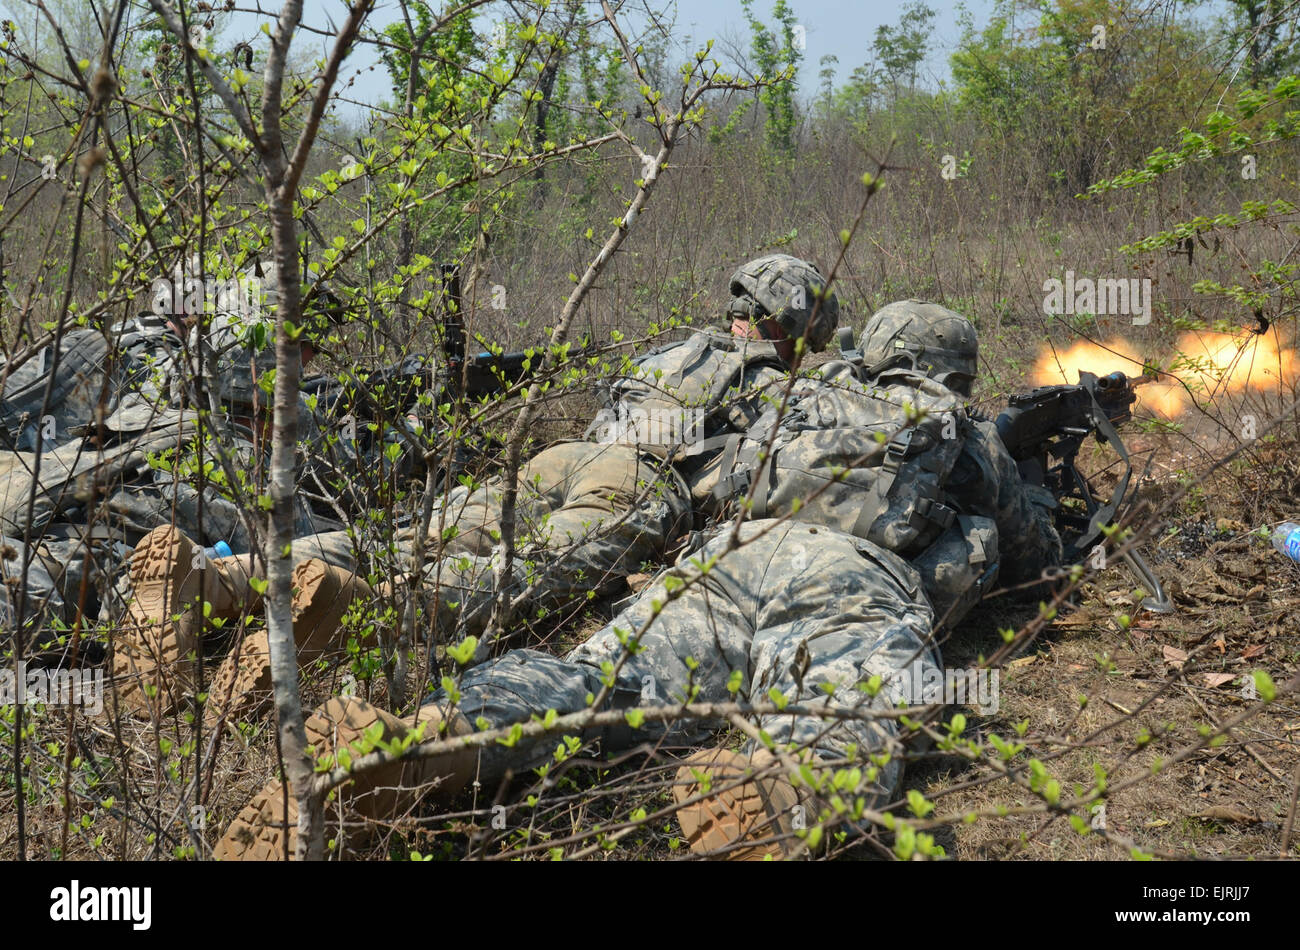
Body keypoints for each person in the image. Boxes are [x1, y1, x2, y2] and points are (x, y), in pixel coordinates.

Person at [213, 300, 1064, 861]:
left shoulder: (798, 396)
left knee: (591, 683)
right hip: (854, 584)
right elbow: (1033, 555)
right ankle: (786, 782)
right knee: (856, 699)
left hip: (727, 558)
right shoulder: (964, 431)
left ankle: (427, 737)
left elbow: (720, 476)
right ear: (957, 366)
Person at [116, 255, 843, 727]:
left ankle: (215, 577)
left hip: (562, 457)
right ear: (796, 329)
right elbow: (758, 480)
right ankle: (363, 606)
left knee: (413, 536)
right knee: (517, 576)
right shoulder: (773, 385)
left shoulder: (670, 351)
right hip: (636, 483)